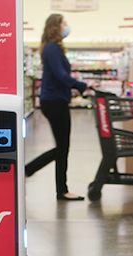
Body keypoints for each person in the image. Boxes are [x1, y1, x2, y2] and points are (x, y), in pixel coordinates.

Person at [26, 14, 88, 201]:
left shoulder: (52, 48)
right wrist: (81, 85)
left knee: (62, 147)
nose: (66, 27)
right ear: (56, 26)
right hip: (54, 101)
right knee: (62, 147)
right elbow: (61, 75)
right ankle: (60, 189)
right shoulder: (52, 48)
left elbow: (58, 76)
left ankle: (31, 172)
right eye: (64, 24)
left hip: (54, 100)